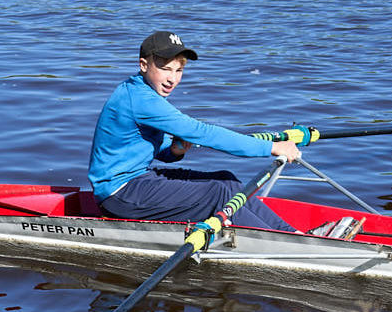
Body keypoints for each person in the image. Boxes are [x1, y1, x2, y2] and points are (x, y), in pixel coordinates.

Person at [87, 31, 301, 232]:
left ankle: (294, 234)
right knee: (219, 194)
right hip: (119, 194)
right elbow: (203, 133)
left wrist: (175, 151)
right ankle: (286, 242)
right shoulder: (140, 99)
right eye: (165, 69)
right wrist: (271, 147)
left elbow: (145, 146)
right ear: (143, 65)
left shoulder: (138, 90)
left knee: (227, 181)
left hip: (139, 180)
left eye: (178, 70)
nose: (173, 79)